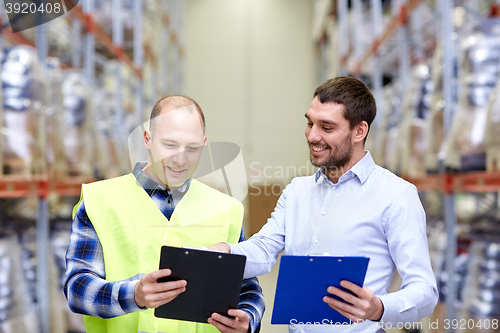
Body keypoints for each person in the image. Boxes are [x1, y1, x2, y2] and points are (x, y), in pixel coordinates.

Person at [210, 77, 438, 332]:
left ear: (359, 131)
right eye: (309, 123)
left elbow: (424, 290)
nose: (312, 135)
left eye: (327, 127)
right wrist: (224, 254)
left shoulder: (396, 195)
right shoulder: (297, 191)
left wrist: (379, 308)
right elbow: (263, 249)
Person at [64, 95, 265, 333]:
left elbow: (247, 287)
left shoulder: (226, 209)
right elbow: (77, 289)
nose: (180, 159)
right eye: (169, 145)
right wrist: (135, 294)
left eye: (192, 148)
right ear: (148, 139)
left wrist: (249, 318)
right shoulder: (100, 200)